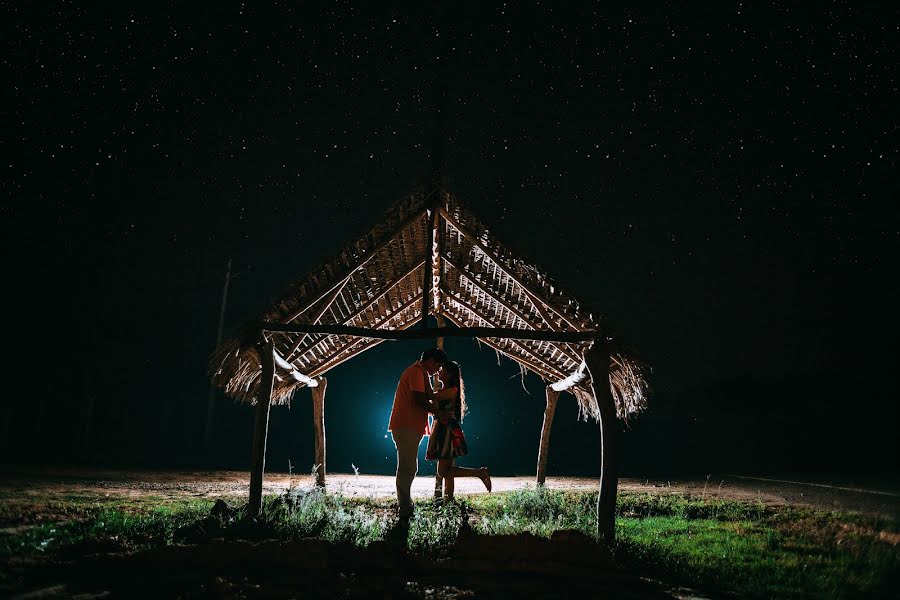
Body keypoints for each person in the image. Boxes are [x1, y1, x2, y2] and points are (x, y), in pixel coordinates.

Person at [388, 347, 448, 519]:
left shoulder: (421, 374)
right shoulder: (416, 373)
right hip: (406, 425)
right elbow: (419, 399)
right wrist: (439, 413)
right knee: (408, 467)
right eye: (438, 366)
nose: (438, 370)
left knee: (408, 466)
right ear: (431, 361)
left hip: (410, 426)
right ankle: (405, 508)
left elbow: (427, 396)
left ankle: (405, 505)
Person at [425, 361, 491, 502]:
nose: (439, 372)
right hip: (443, 429)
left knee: (442, 471)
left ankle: (479, 472)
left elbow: (431, 396)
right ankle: (449, 500)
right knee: (446, 470)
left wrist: (426, 377)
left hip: (447, 431)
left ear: (449, 374)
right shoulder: (446, 390)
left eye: (442, 370)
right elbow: (434, 405)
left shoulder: (451, 390)